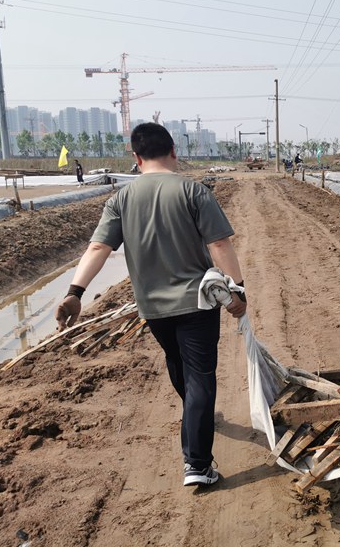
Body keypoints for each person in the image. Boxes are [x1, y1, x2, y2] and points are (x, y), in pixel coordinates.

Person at [55, 123, 247, 488]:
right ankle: (197, 464)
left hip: (153, 307)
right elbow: (219, 245)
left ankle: (196, 416)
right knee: (200, 377)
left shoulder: (121, 199)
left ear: (136, 157)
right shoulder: (193, 191)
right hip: (196, 303)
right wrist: (238, 290)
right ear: (174, 151)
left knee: (177, 361)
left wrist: (75, 292)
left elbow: (98, 248)